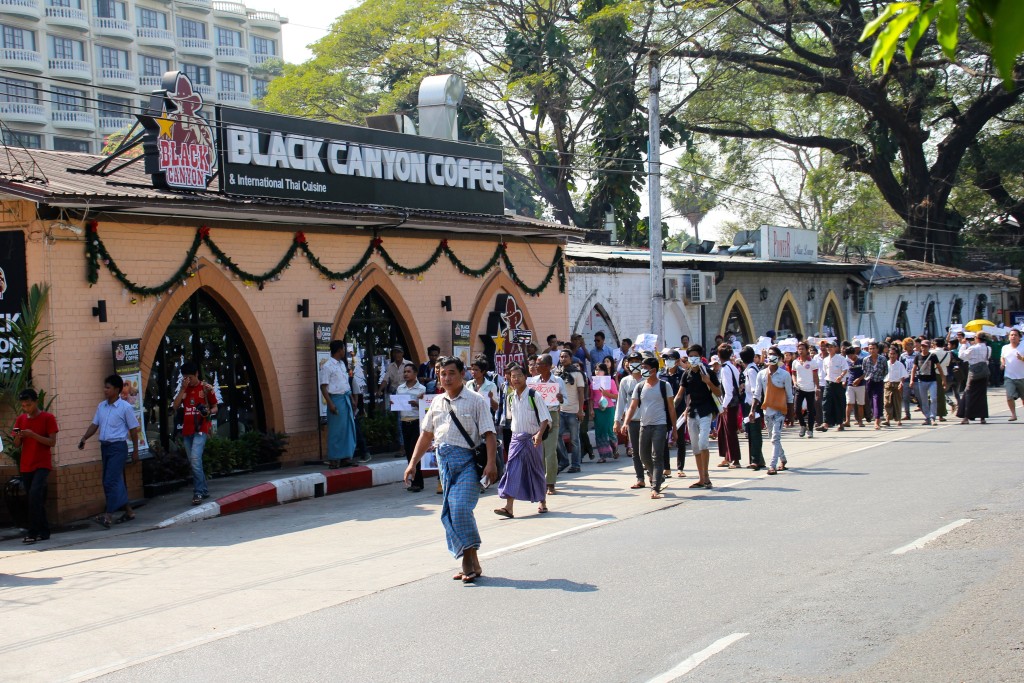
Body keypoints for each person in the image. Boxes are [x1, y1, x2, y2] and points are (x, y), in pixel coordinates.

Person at [405, 356, 497, 584]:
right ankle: (473, 559)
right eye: (442, 373)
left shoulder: (476, 401)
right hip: (445, 466)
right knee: (450, 512)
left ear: (462, 374)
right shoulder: (436, 402)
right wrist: (413, 463)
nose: (446, 378)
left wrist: (491, 463)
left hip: (468, 463)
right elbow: (426, 434)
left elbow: (489, 434)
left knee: (460, 508)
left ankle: (466, 562)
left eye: (451, 373)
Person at [79, 374, 140, 527]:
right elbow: (95, 425)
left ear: (117, 390)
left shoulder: (125, 407)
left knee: (110, 481)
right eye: (105, 387)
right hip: (105, 447)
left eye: (108, 387)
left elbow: (133, 430)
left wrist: (135, 451)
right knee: (114, 480)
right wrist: (84, 438)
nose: (105, 390)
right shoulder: (102, 406)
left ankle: (108, 515)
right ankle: (129, 511)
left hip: (118, 447)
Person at [494, 363, 551, 518]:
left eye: (519, 375)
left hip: (532, 438)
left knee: (536, 470)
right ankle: (509, 507)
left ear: (526, 377)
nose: (516, 379)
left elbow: (545, 418)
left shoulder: (534, 395)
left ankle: (542, 501)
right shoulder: (510, 397)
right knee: (512, 470)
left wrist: (539, 435)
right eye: (513, 376)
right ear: (509, 379)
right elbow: (510, 418)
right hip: (516, 439)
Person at [620, 356, 678, 499]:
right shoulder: (640, 387)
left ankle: (655, 487)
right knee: (643, 456)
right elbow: (632, 406)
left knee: (656, 456)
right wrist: (625, 422)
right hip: (644, 425)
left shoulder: (665, 386)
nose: (642, 370)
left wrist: (675, 429)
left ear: (653, 370)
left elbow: (671, 408)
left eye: (645, 368)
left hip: (660, 425)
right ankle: (658, 478)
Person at [13, 388, 58, 544]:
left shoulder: (48, 418)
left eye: (29, 404)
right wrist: (19, 437)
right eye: (24, 405)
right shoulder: (20, 420)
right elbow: (16, 444)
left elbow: (52, 442)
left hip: (42, 464)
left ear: (36, 402)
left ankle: (32, 532)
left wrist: (33, 435)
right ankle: (44, 531)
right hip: (26, 465)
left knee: (34, 495)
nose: (27, 408)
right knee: (35, 498)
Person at [681, 345, 722, 489]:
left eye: (695, 355)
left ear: (700, 357)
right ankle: (701, 478)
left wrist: (708, 381)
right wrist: (671, 408)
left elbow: (719, 393)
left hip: (706, 411)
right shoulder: (686, 374)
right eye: (690, 356)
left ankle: (706, 476)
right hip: (691, 413)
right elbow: (681, 394)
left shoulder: (708, 373)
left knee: (703, 443)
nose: (692, 358)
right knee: (695, 447)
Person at [526, 354, 566, 496]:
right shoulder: (533, 382)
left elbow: (565, 401)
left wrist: (560, 398)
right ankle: (540, 481)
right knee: (539, 451)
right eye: (536, 364)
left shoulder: (558, 381)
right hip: (537, 417)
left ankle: (550, 483)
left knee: (550, 451)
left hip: (552, 415)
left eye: (539, 364)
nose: (536, 366)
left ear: (548, 366)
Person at [753, 347, 794, 475]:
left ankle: (772, 465)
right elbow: (757, 394)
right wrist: (752, 410)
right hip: (767, 411)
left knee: (775, 438)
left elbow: (789, 396)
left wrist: (791, 415)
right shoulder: (761, 374)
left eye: (774, 355)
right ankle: (783, 459)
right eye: (770, 354)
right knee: (773, 438)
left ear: (779, 358)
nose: (771, 357)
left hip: (780, 411)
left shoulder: (785, 375)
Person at [320, 341, 357, 469]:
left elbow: (346, 384)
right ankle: (334, 459)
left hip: (346, 398)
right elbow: (323, 387)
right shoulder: (327, 366)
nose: (344, 351)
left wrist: (352, 399)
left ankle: (346, 457)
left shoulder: (342, 364)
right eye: (343, 349)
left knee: (348, 429)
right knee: (336, 430)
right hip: (336, 400)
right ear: (339, 350)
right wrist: (330, 404)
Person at [613, 351, 645, 488]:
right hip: (632, 420)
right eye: (631, 361)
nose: (634, 364)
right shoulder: (625, 382)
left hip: (648, 420)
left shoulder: (647, 379)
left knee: (647, 450)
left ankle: (652, 473)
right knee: (636, 451)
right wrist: (617, 421)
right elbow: (621, 402)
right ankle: (640, 478)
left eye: (637, 361)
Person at [555, 349, 586, 473]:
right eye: (561, 357)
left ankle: (576, 464)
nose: (563, 359)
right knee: (557, 435)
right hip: (560, 410)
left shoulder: (577, 374)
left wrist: (580, 410)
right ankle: (564, 460)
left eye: (565, 357)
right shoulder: (556, 374)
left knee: (574, 439)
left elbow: (581, 393)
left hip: (573, 411)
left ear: (571, 358)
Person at [396, 363, 426, 491]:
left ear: (415, 373)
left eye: (409, 372)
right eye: (405, 372)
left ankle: (417, 482)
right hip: (404, 421)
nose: (406, 374)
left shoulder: (421, 389)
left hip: (416, 422)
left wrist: (418, 403)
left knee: (415, 451)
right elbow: (397, 404)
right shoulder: (400, 388)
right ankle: (413, 479)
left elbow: (426, 408)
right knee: (408, 452)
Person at [715, 345, 743, 469]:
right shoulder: (732, 366)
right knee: (722, 430)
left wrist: (724, 406)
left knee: (730, 431)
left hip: (729, 404)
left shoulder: (726, 369)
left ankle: (735, 459)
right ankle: (727, 456)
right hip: (730, 402)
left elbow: (729, 390)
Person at [659, 349, 685, 478]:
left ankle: (680, 467)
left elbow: (685, 394)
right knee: (663, 438)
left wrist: (686, 410)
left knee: (679, 439)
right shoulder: (661, 374)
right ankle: (666, 467)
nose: (667, 362)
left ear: (677, 361)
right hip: (664, 410)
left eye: (670, 359)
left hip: (679, 411)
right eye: (666, 359)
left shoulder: (683, 374)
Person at [739, 347, 765, 470]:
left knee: (754, 433)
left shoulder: (751, 371)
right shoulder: (751, 369)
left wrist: (753, 410)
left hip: (753, 405)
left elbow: (756, 390)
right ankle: (758, 458)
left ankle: (756, 460)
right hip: (750, 404)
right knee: (751, 432)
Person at [957, 333, 991, 424]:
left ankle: (966, 417)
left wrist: (964, 345)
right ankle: (982, 417)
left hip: (974, 373)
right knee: (982, 395)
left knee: (969, 393)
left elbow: (962, 356)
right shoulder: (988, 348)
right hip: (984, 373)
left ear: (977, 338)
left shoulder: (973, 348)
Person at [591, 359, 619, 462]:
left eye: (600, 370)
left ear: (605, 372)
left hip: (608, 408)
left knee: (609, 430)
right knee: (599, 432)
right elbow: (591, 397)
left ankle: (614, 447)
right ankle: (603, 455)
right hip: (597, 409)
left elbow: (616, 396)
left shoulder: (610, 381)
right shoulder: (593, 383)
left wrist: (607, 394)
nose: (597, 372)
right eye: (596, 370)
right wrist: (591, 410)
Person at [910, 339, 941, 426]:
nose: (923, 348)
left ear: (929, 347)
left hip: (932, 380)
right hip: (921, 381)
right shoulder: (918, 356)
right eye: (922, 346)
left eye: (925, 346)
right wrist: (912, 380)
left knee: (933, 398)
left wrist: (943, 379)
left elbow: (939, 367)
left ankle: (932, 417)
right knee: (924, 400)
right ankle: (927, 417)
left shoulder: (933, 356)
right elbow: (914, 369)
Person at [791, 341, 819, 438]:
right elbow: (793, 374)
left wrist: (817, 388)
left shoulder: (812, 362)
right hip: (799, 388)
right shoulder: (795, 362)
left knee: (811, 410)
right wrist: (794, 382)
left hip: (810, 389)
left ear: (807, 350)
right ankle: (803, 425)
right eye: (799, 349)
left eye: (803, 349)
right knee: (797, 409)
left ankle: (810, 430)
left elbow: (815, 376)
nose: (800, 351)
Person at [818, 341, 848, 431]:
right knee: (826, 403)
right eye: (828, 347)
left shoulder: (841, 358)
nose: (829, 348)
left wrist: (841, 377)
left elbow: (845, 369)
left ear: (836, 348)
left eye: (831, 346)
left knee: (838, 403)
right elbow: (825, 372)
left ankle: (840, 423)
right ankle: (825, 423)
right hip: (828, 383)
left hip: (838, 384)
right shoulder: (826, 360)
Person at [862, 342, 888, 430]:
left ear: (877, 349)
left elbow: (885, 371)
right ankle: (875, 414)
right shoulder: (866, 359)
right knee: (871, 401)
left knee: (877, 400)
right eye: (870, 349)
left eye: (873, 348)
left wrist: (881, 378)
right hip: (869, 381)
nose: (872, 350)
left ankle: (877, 421)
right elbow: (864, 370)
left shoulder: (883, 359)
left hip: (879, 381)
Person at [1000, 328, 1024, 421]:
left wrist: (1021, 358)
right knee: (1009, 396)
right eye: (1011, 335)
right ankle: (1013, 414)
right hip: (1009, 376)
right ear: (1009, 337)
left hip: (1022, 376)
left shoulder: (1023, 346)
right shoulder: (1005, 347)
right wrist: (1002, 363)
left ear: (1019, 337)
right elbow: (1002, 357)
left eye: (1015, 335)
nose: (1013, 336)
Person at [883, 346, 909, 426]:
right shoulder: (886, 364)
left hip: (897, 384)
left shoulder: (900, 364)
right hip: (888, 384)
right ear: (888, 355)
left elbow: (903, 375)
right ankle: (887, 420)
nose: (892, 355)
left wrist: (901, 383)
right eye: (891, 354)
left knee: (897, 402)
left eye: (894, 354)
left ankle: (898, 419)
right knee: (887, 402)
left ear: (897, 355)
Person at [843, 346, 866, 428]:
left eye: (851, 355)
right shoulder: (846, 361)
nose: (850, 357)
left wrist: (859, 379)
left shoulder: (861, 360)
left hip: (860, 384)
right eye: (848, 356)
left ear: (854, 353)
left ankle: (860, 421)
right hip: (850, 384)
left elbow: (865, 372)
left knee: (860, 404)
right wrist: (844, 381)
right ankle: (847, 421)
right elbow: (845, 371)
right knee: (849, 403)